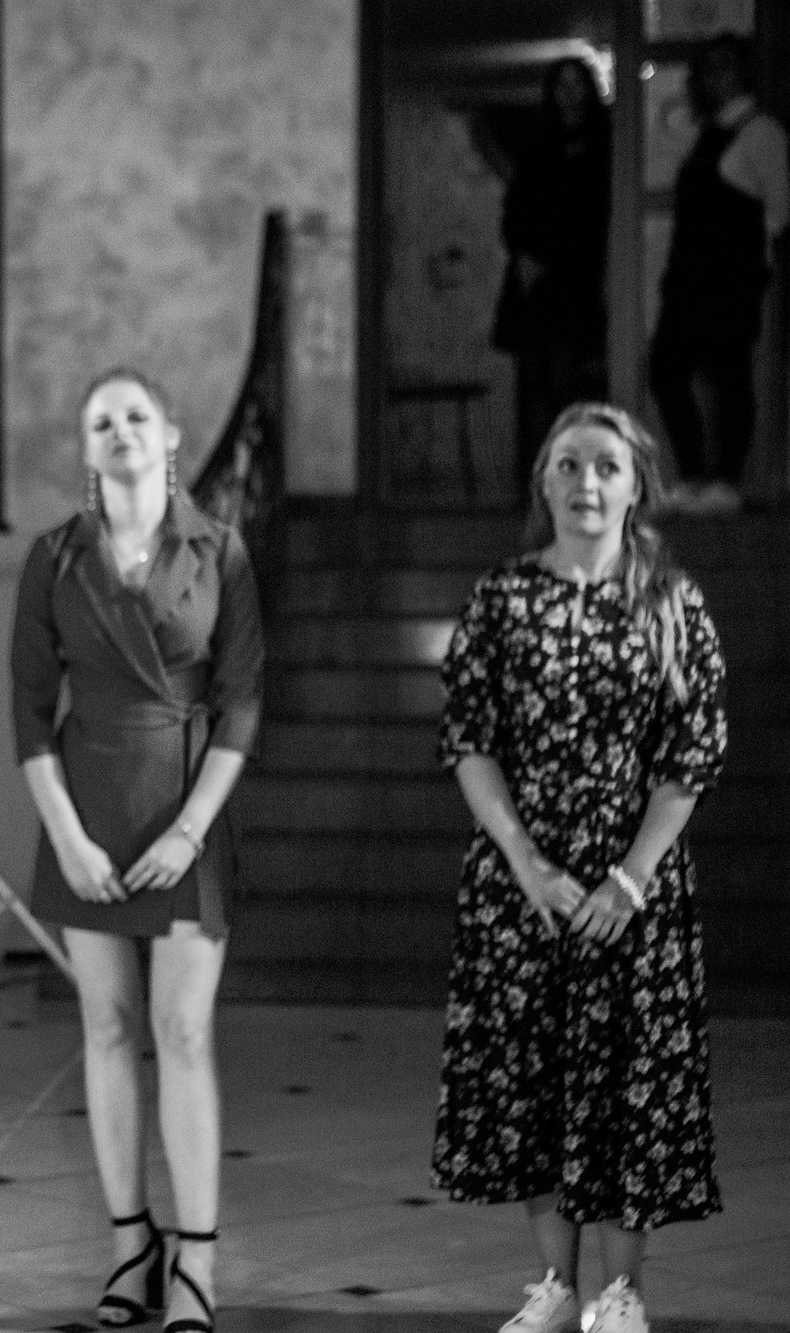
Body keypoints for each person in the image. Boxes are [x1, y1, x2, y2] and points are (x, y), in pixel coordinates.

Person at [436, 402, 726, 1333]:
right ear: (543, 483)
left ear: (637, 483)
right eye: (567, 465)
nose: (586, 483)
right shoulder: (501, 597)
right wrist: (524, 861)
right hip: (524, 886)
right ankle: (556, 1286)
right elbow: (470, 739)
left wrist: (631, 878)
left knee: (625, 1084)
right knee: (535, 1081)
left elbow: (693, 754)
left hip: (634, 888)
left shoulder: (673, 603)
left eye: (605, 465)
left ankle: (622, 1293)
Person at [10, 367, 263, 1333]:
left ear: (171, 436)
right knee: (109, 1030)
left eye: (135, 417)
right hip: (89, 812)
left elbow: (242, 701)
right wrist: (68, 836)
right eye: (100, 421)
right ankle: (131, 1244)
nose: (118, 431)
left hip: (187, 812)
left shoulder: (221, 550)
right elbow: (29, 713)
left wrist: (194, 826)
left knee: (185, 1031)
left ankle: (198, 1257)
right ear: (85, 448)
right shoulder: (53, 558)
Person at [648, 32, 788, 515]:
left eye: (727, 66)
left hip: (731, 280)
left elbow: (781, 215)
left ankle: (726, 480)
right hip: (689, 280)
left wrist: (761, 279)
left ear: (745, 71)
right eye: (710, 68)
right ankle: (691, 476)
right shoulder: (707, 136)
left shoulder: (763, 133)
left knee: (729, 379)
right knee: (666, 370)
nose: (718, 77)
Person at [495, 56, 611, 480]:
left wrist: (552, 259)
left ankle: (563, 475)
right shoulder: (537, 143)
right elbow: (515, 209)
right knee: (532, 385)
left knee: (563, 384)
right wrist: (523, 254)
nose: (569, 93)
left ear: (590, 89)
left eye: (577, 84)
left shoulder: (604, 144)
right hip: (531, 279)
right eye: (560, 85)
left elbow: (591, 218)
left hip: (572, 278)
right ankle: (535, 478)